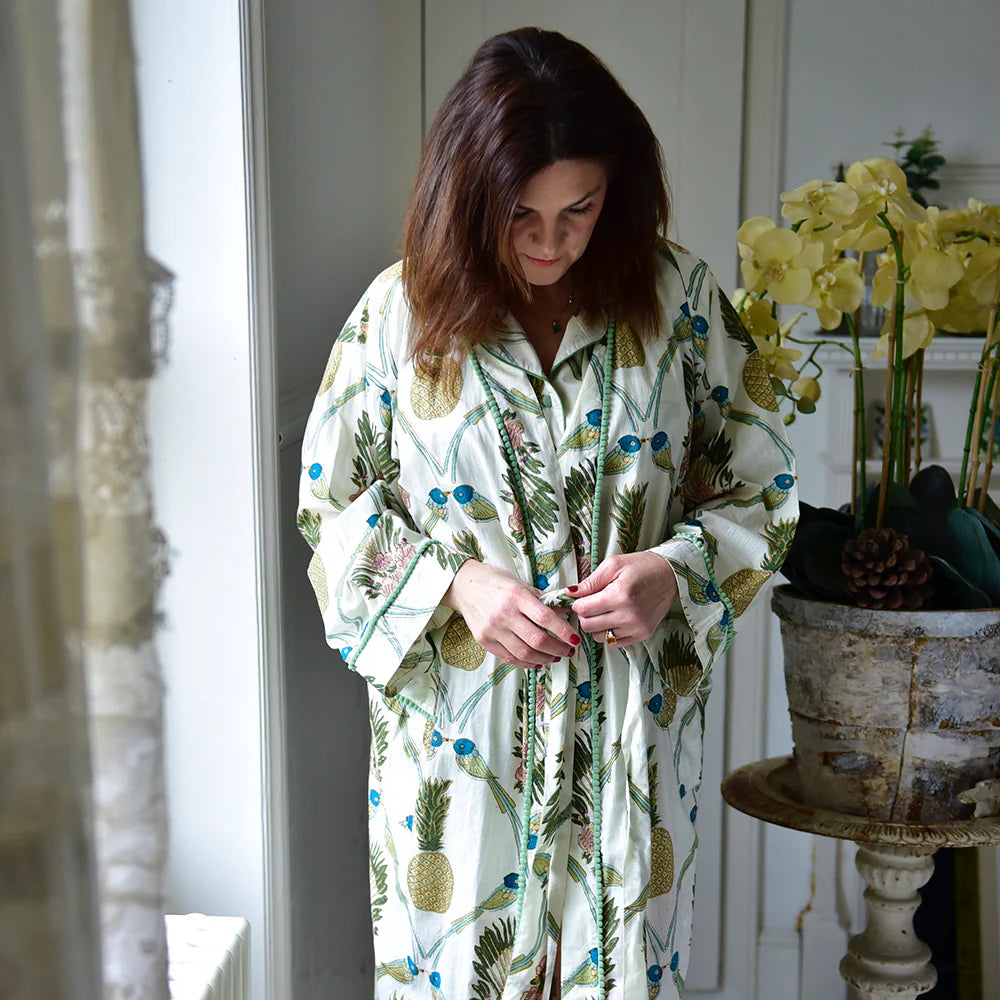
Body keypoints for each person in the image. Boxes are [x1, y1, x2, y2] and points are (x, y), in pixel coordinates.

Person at [297, 26, 797, 1000]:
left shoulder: (677, 300)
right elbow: (332, 509)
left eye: (580, 208)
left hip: (627, 741)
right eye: (519, 213)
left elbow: (761, 485)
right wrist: (456, 582)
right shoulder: (399, 315)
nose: (549, 242)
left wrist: (674, 571)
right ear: (467, 193)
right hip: (457, 753)